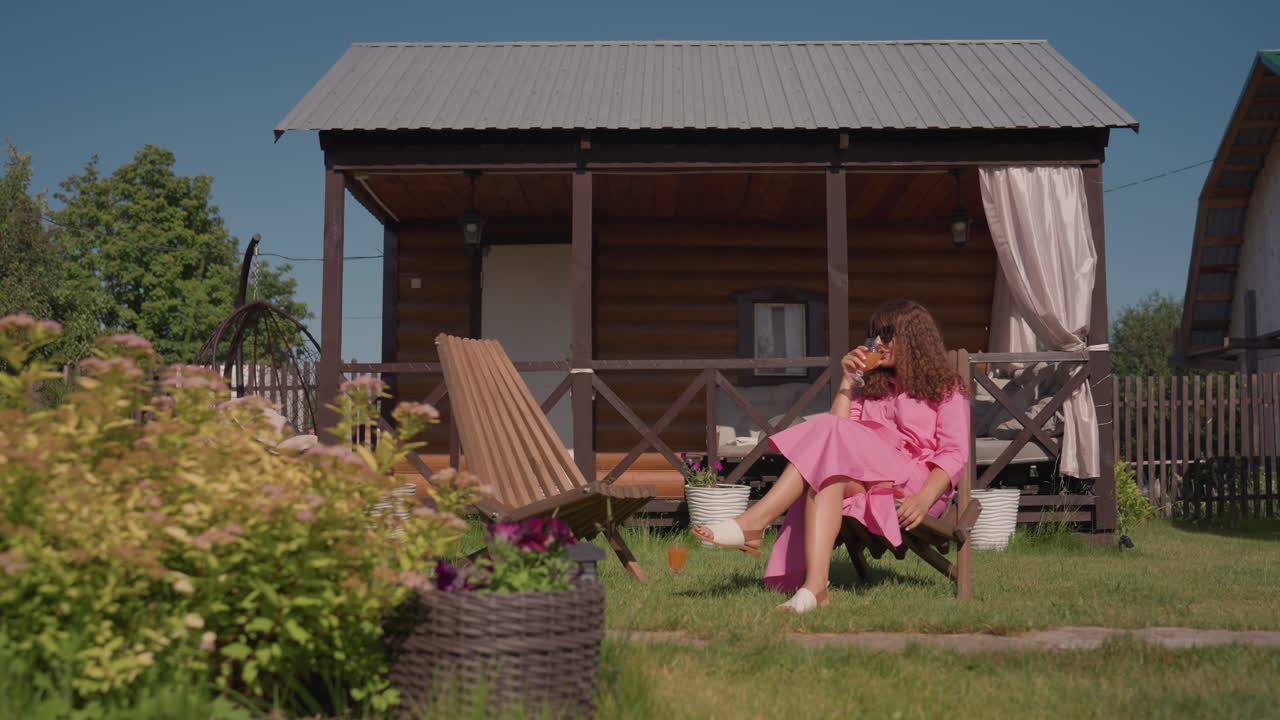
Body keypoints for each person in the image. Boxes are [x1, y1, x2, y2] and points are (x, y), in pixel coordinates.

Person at [692, 299, 970, 614]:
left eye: (887, 333)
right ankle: (815, 589)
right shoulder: (874, 390)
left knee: (826, 428)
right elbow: (838, 436)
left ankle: (755, 521)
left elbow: (954, 453)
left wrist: (923, 498)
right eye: (874, 334)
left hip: (918, 486)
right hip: (873, 478)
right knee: (827, 477)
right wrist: (847, 383)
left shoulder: (947, 391)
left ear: (913, 337)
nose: (877, 342)